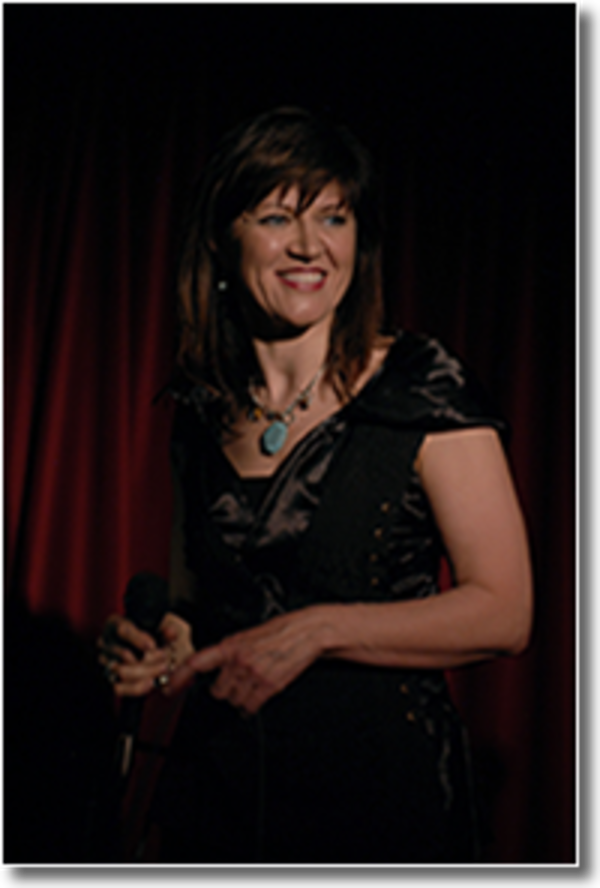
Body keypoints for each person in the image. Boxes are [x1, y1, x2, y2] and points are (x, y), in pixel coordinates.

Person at [99, 107, 533, 863]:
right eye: (277, 218)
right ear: (221, 238)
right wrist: (159, 649)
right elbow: (197, 610)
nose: (310, 245)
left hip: (384, 808)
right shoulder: (199, 413)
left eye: (334, 217)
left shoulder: (422, 388)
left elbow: (506, 612)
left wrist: (319, 630)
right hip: (223, 803)